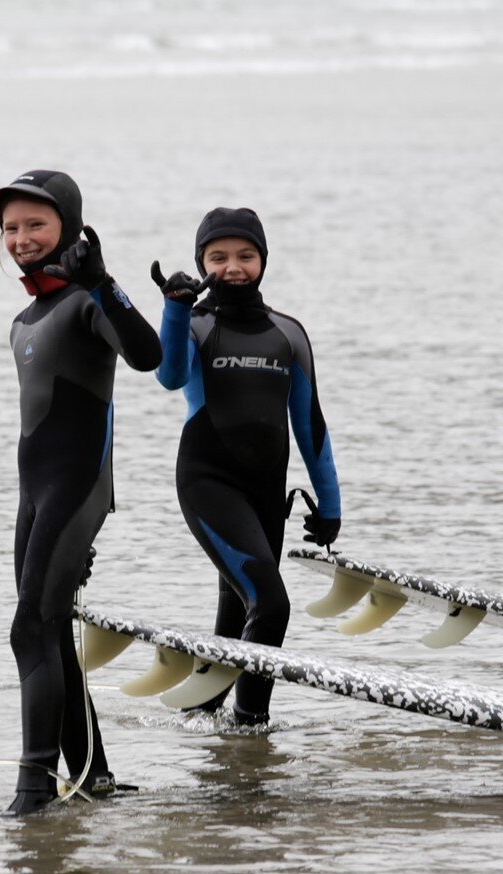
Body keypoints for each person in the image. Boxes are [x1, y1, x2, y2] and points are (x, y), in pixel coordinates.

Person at [0, 170, 162, 814]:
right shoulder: (23, 319)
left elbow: (147, 357)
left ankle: (33, 792)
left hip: (76, 488)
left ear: (68, 225)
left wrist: (104, 281)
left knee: (29, 630)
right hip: (33, 494)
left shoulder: (87, 301)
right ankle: (93, 777)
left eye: (37, 224)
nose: (22, 238)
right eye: (11, 228)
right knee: (51, 633)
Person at [151, 206, 341, 726]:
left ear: (262, 260)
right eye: (219, 257)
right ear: (201, 262)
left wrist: (331, 505)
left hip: (265, 493)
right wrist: (172, 306)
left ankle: (201, 720)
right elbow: (168, 376)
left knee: (238, 612)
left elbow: (311, 426)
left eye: (245, 256)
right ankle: (251, 728)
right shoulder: (193, 324)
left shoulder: (289, 333)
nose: (233, 267)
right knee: (271, 605)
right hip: (208, 482)